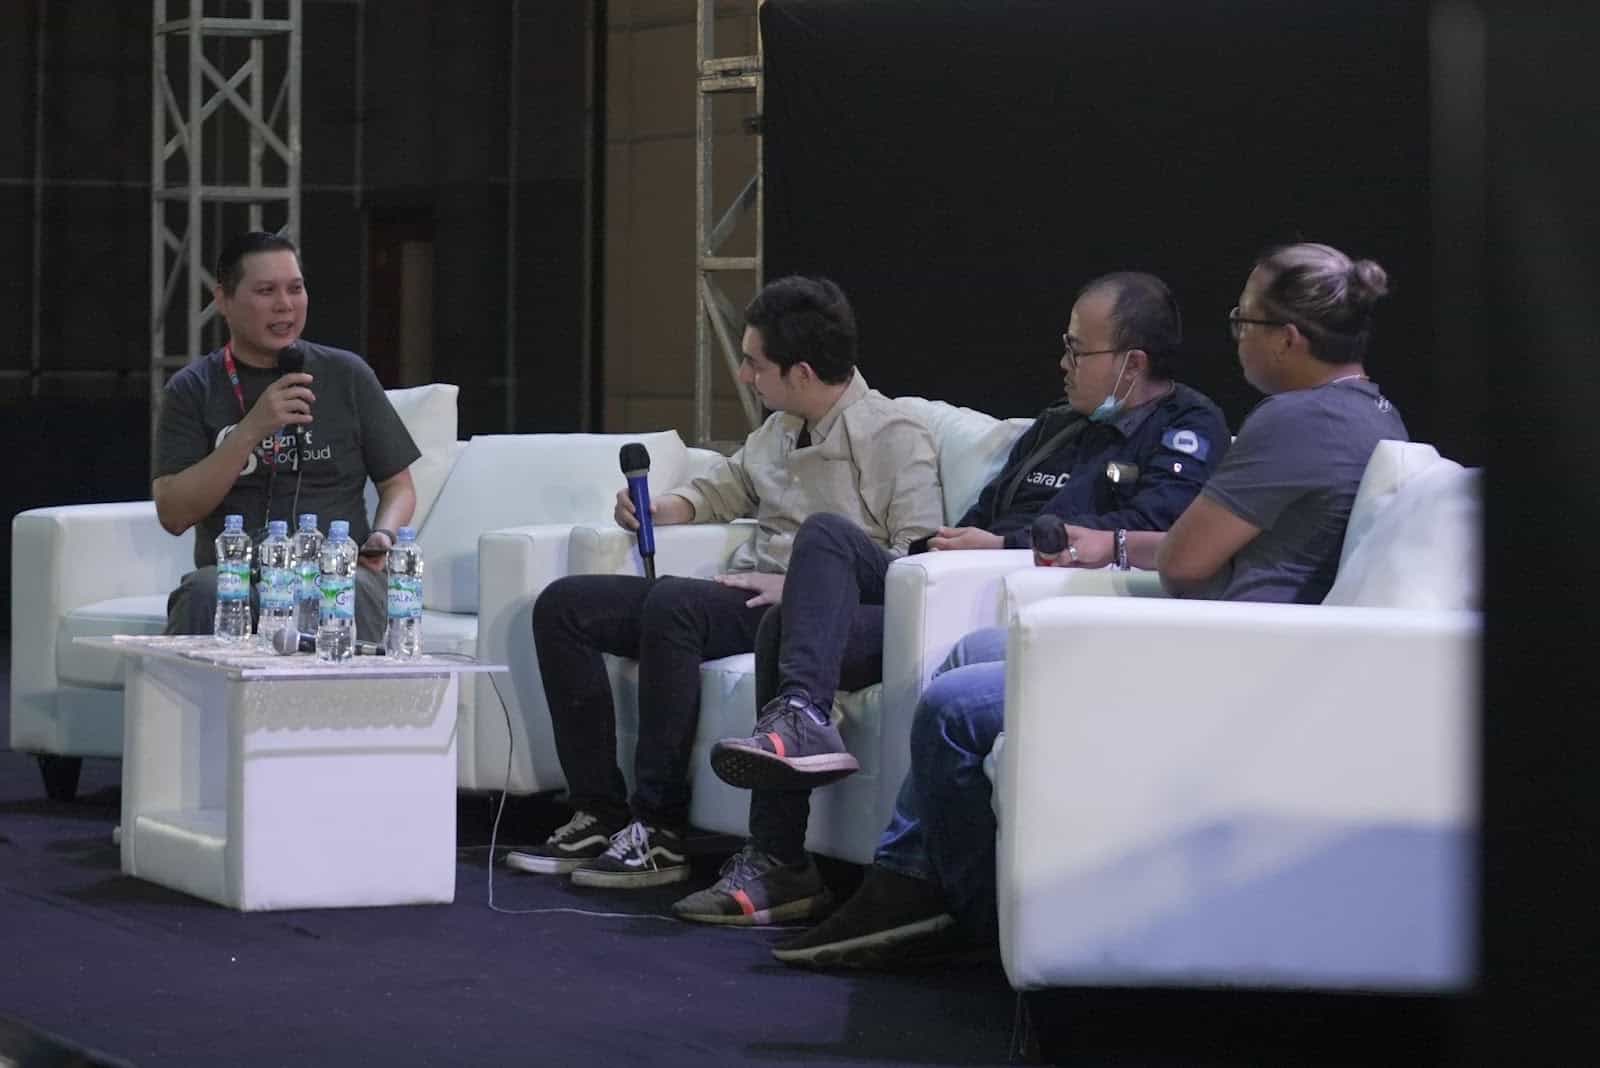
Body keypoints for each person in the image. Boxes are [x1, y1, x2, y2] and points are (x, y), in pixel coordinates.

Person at [770, 241, 1407, 967]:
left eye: (1243, 320)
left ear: (1289, 339)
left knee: (951, 707)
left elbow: (1188, 560)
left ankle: (972, 926)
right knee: (974, 652)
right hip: (1232, 637)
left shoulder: (1291, 422)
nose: (1234, 336)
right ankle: (906, 883)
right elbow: (1192, 548)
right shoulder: (1374, 412)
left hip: (1225, 657)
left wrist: (1129, 547)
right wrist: (1125, 547)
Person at [672, 271, 1231, 926]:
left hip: (1005, 603)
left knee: (816, 554)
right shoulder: (1054, 426)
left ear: (1132, 364)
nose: (1062, 362)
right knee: (803, 591)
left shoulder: (1185, 427)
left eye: (1078, 350)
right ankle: (783, 843)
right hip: (946, 579)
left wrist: (1000, 545)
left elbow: (1150, 535)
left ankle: (788, 804)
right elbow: (977, 515)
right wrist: (954, 548)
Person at [503, 276, 944, 891]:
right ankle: (599, 810)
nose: (743, 376)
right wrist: (664, 507)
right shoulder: (777, 430)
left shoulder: (893, 435)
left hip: (811, 610)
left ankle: (657, 826)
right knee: (565, 606)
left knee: (678, 603)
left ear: (803, 373)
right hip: (746, 593)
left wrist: (798, 587)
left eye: (753, 363)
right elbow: (722, 487)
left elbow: (920, 559)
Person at [155, 231, 419, 641]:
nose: (285, 304)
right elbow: (172, 514)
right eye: (266, 291)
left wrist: (382, 536)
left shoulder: (346, 375)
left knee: (359, 593)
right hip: (238, 575)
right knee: (203, 592)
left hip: (336, 570)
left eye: (295, 289)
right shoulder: (193, 389)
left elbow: (398, 486)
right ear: (223, 299)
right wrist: (250, 431)